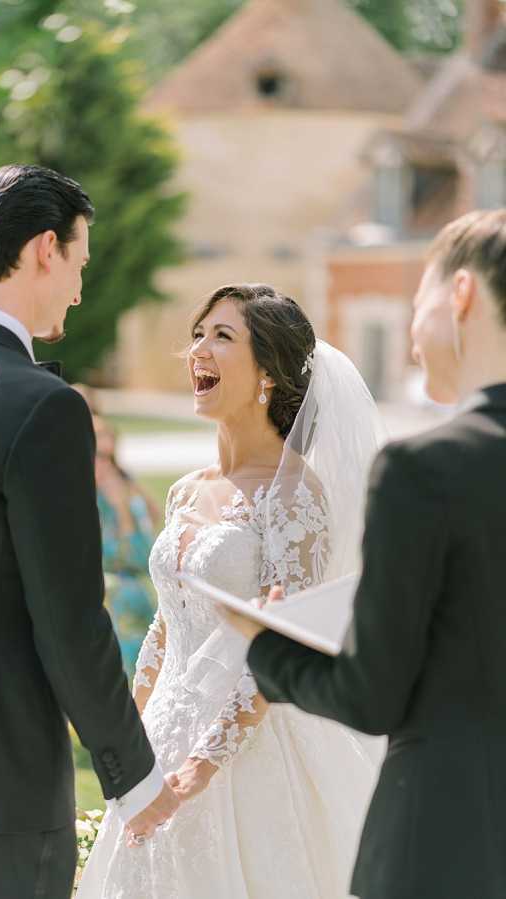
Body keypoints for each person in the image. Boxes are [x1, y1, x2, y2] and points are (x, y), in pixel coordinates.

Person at [0, 164, 178, 899]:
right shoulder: (43, 406)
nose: (80, 289)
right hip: (2, 796)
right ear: (44, 249)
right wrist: (135, 775)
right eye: (80, 263)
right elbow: (68, 620)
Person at [229, 210, 506, 899]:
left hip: (449, 847)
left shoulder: (428, 468)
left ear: (462, 295)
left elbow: (371, 693)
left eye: (419, 303)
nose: (413, 336)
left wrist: (267, 648)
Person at [77, 283, 385, 899]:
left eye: (223, 337)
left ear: (268, 373)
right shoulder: (187, 489)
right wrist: (132, 739)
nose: (199, 349)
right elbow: (167, 624)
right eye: (198, 334)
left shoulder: (295, 496)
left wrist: (200, 769)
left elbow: (283, 643)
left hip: (251, 751)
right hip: (162, 737)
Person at [93, 415, 159, 678]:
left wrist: (124, 511)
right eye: (97, 455)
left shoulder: (126, 491)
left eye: (108, 458)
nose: (102, 465)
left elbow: (143, 554)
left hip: (134, 591)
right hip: (107, 594)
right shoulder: (81, 497)